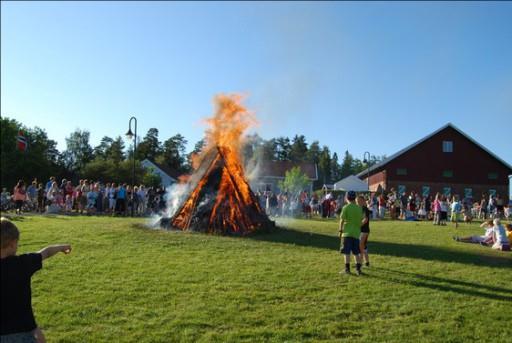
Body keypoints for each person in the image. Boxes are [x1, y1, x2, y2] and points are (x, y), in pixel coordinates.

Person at [1, 217, 71, 342]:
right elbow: (46, 252)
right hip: (23, 330)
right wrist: (62, 247)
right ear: (12, 243)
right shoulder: (22, 264)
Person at [338, 191, 363, 275]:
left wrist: (340, 230)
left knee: (346, 252)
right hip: (356, 234)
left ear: (346, 198)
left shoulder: (346, 207)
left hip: (347, 233)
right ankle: (358, 270)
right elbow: (360, 221)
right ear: (354, 198)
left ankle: (347, 269)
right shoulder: (359, 208)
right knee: (356, 253)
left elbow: (341, 220)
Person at [357, 195, 371, 267]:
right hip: (359, 230)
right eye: (357, 201)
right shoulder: (357, 209)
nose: (358, 202)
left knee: (361, 246)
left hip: (364, 230)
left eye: (359, 201)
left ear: (363, 201)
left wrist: (358, 225)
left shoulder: (365, 209)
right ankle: (367, 262)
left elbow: (365, 220)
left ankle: (359, 263)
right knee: (364, 247)